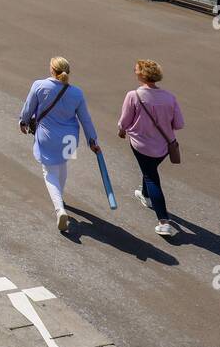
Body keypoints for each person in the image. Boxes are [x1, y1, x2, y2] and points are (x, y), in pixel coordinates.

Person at [19, 56, 100, 232]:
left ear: (52, 70)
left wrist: (23, 122)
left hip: (48, 136)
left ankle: (59, 209)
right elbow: (86, 119)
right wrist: (92, 140)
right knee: (62, 164)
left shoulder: (39, 85)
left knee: (49, 173)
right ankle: (60, 198)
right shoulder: (77, 93)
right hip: (70, 138)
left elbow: (28, 108)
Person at [117, 59, 184, 237]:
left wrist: (122, 131)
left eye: (136, 69)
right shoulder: (170, 97)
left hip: (141, 144)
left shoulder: (133, 95)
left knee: (151, 176)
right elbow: (179, 124)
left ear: (142, 74)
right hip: (163, 146)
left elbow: (124, 121)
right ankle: (145, 195)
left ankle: (163, 221)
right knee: (150, 170)